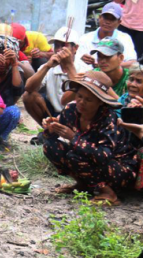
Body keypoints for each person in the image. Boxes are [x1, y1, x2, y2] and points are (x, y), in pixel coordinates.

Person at [42, 71, 138, 206]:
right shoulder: (71, 109)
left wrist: (73, 138)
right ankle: (83, 184)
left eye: (88, 100)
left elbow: (104, 155)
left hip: (118, 169)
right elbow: (51, 137)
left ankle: (108, 192)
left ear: (100, 102)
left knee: (75, 155)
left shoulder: (108, 118)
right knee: (50, 146)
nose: (81, 102)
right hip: (89, 161)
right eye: (79, 96)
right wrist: (50, 129)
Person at [22, 27, 89, 127]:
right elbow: (28, 87)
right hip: (53, 112)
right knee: (28, 96)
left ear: (75, 48)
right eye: (56, 46)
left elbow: (79, 93)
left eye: (63, 46)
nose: (59, 50)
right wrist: (47, 66)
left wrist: (69, 65)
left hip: (75, 114)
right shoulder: (51, 66)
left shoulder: (85, 69)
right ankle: (48, 129)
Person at [0, 28, 25, 145]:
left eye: (7, 58)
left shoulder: (15, 71)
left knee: (14, 112)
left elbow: (18, 89)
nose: (3, 62)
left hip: (0, 116)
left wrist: (14, 64)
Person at [76, 3, 137, 69]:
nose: (107, 22)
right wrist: (81, 58)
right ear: (99, 18)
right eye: (105, 18)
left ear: (119, 22)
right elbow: (76, 60)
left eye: (112, 19)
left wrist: (107, 66)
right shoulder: (85, 38)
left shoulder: (125, 38)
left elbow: (132, 63)